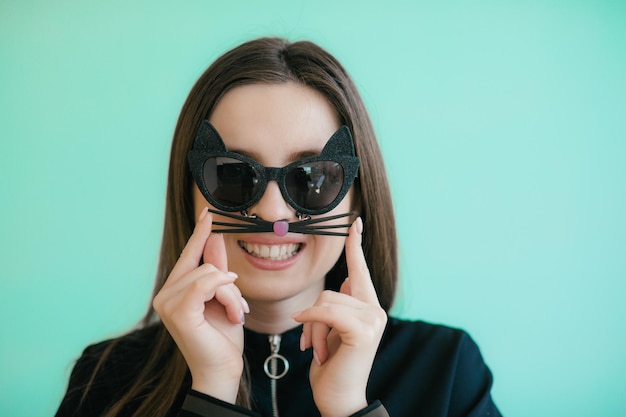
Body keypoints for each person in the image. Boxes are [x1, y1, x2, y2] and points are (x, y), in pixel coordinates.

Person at [55, 37, 502, 417]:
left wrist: (350, 407)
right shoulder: (106, 378)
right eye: (232, 175)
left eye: (312, 178)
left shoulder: (447, 369)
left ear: (357, 196)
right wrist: (211, 390)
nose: (274, 215)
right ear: (188, 191)